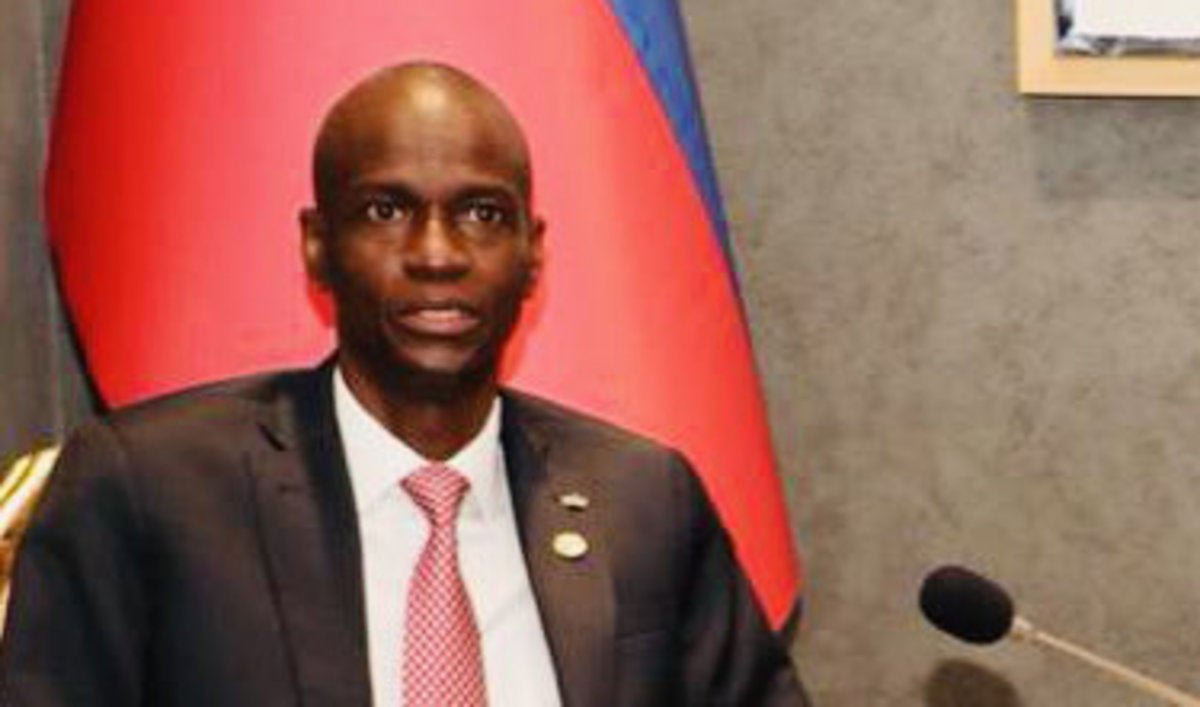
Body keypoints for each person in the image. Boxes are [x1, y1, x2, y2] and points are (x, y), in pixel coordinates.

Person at [0, 62, 809, 706]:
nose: (437, 254)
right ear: (318, 246)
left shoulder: (643, 499)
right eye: (386, 211)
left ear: (532, 254)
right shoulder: (151, 490)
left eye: (482, 214)